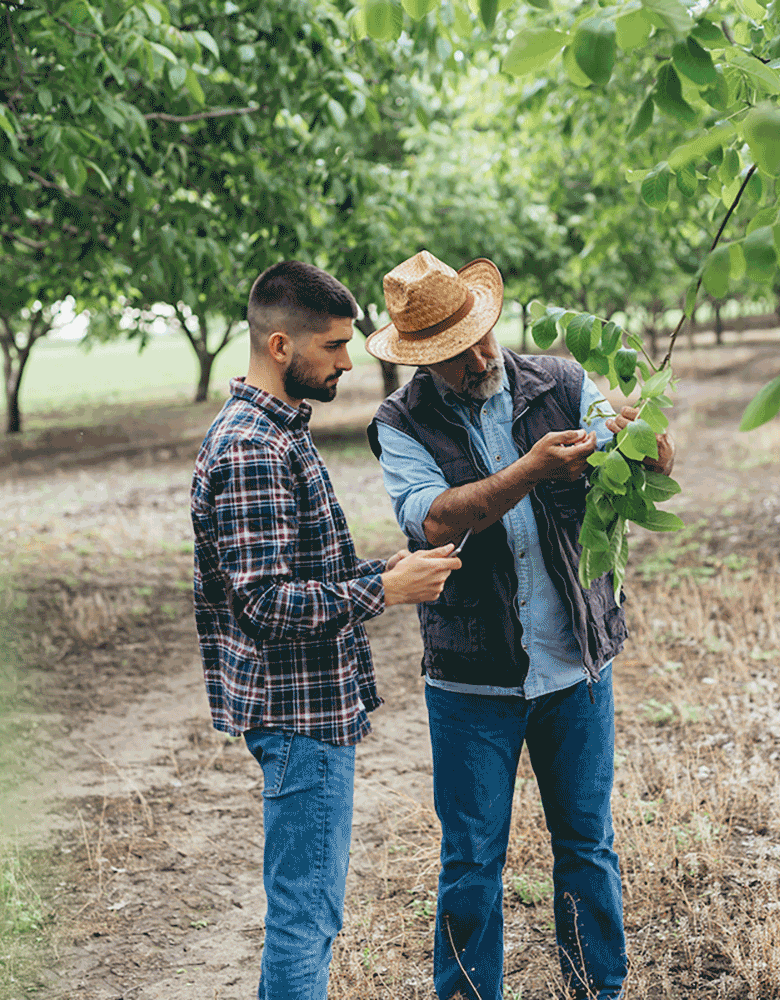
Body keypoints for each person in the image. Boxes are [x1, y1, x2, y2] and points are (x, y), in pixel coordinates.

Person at [364, 251, 675, 1000]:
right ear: (422, 359)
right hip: (472, 679)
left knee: (588, 847)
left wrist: (651, 444)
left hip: (575, 665)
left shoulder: (561, 383)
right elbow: (435, 518)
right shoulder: (399, 422)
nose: (479, 355)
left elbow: (640, 459)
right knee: (471, 860)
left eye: (483, 335)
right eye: (456, 351)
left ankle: (598, 990)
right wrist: (531, 470)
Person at [190, 260, 461, 1000]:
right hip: (297, 717)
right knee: (306, 919)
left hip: (310, 712)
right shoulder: (253, 447)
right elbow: (266, 602)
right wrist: (385, 589)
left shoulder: (275, 430)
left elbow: (298, 568)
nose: (349, 361)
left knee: (311, 911)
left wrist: (388, 569)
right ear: (281, 346)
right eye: (337, 347)